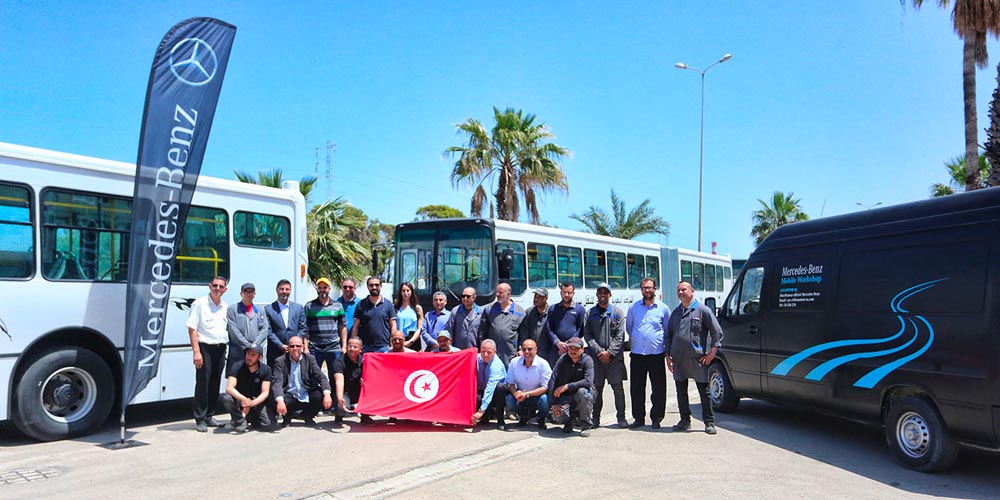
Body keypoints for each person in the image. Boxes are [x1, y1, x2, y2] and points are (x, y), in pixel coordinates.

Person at [666, 281, 724, 435]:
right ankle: (685, 421)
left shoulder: (702, 310)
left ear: (692, 291)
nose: (680, 293)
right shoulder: (676, 312)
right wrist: (668, 355)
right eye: (678, 290)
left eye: (684, 290)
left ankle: (709, 422)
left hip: (698, 359)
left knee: (704, 391)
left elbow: (716, 331)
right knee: (680, 391)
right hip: (679, 359)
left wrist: (712, 352)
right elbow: (669, 335)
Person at [186, 276, 230, 432]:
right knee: (202, 384)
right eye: (215, 286)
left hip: (220, 348)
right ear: (209, 286)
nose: (218, 289)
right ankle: (200, 418)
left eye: (221, 286)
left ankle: (210, 415)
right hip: (204, 348)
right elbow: (192, 329)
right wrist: (196, 351)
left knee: (215, 383)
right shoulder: (200, 304)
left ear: (225, 289)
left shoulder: (225, 307)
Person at [626, 277, 670, 429]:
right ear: (641, 290)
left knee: (658, 388)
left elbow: (667, 330)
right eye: (644, 288)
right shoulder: (633, 308)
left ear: (655, 289)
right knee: (637, 388)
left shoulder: (663, 308)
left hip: (656, 354)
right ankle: (639, 418)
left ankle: (656, 417)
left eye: (650, 287)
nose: (647, 290)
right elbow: (629, 328)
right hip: (637, 354)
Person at [584, 282, 628, 428]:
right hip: (596, 359)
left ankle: (621, 418)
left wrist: (609, 353)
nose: (603, 295)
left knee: (618, 389)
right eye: (600, 293)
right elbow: (587, 335)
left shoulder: (617, 313)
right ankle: (595, 418)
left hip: (614, 359)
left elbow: (620, 335)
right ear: (597, 295)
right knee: (596, 389)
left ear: (610, 295)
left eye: (605, 293)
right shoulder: (590, 313)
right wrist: (599, 352)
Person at [271, 336, 333, 427]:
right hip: (289, 395)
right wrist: (280, 401)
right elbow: (277, 383)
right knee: (275, 396)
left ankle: (307, 416)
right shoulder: (280, 361)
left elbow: (321, 377)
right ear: (288, 347)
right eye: (292, 346)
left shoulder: (310, 359)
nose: (295, 349)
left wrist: (327, 394)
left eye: (298, 346)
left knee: (319, 395)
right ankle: (287, 416)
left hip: (305, 393)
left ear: (303, 347)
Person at [221, 343, 275, 432]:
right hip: (240, 400)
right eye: (248, 353)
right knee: (226, 398)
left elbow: (265, 392)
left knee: (268, 424)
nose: (249, 357)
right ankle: (239, 420)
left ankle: (248, 418)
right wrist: (244, 399)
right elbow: (229, 388)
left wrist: (252, 403)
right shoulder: (237, 366)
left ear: (260, 357)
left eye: (253, 355)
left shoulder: (266, 370)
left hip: (256, 401)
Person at [548, 337, 595, 437]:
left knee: (582, 393)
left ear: (582, 349)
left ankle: (586, 425)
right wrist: (554, 403)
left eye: (576, 349)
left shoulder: (587, 360)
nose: (573, 351)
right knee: (557, 417)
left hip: (583, 393)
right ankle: (570, 421)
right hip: (567, 396)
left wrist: (567, 386)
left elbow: (588, 381)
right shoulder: (563, 359)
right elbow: (553, 379)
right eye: (571, 348)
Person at [304, 277, 348, 379]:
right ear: (317, 289)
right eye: (320, 288)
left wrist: (344, 346)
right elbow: (305, 328)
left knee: (335, 375)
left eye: (325, 287)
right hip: (315, 348)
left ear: (329, 289)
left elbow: (343, 327)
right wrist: (305, 347)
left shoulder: (338, 306)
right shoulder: (309, 306)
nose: (322, 290)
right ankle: (316, 395)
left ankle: (334, 395)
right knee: (313, 376)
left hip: (333, 347)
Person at [504, 338, 552, 429]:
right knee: (509, 399)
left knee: (545, 400)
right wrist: (515, 394)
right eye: (524, 349)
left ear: (536, 350)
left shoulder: (543, 364)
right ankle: (523, 417)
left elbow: (545, 387)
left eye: (529, 349)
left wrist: (527, 394)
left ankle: (541, 418)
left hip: (537, 396)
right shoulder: (514, 362)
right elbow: (510, 383)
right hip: (520, 395)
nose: (526, 352)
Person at [478, 282, 525, 366]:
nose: (497, 294)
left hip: (510, 354)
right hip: (491, 353)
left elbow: (523, 334)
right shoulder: (489, 310)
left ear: (509, 294)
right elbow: (482, 331)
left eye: (500, 292)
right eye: (497, 292)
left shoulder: (520, 312)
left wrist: (521, 350)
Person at [226, 282, 270, 369]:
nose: (249, 294)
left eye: (251, 292)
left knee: (255, 378)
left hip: (255, 353)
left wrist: (255, 345)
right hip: (238, 351)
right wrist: (247, 346)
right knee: (236, 378)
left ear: (255, 294)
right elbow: (233, 330)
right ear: (241, 293)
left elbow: (265, 328)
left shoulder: (260, 310)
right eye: (246, 291)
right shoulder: (233, 309)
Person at [265, 279, 307, 365]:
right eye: (282, 289)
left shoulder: (298, 308)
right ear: (277, 290)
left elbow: (303, 328)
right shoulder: (268, 309)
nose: (284, 291)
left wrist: (295, 344)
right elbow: (268, 331)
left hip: (295, 352)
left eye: (287, 289)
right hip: (275, 352)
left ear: (290, 291)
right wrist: (280, 345)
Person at [351, 276, 398, 353]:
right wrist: (354, 343)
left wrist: (393, 343)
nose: (374, 287)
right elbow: (355, 327)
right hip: (365, 347)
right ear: (368, 287)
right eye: (371, 285)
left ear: (381, 286)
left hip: (384, 347)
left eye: (376, 285)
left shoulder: (388, 304)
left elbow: (393, 326)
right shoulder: (361, 305)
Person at [333, 337, 373, 425]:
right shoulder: (339, 362)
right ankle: (339, 416)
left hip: (358, 390)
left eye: (355, 347)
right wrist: (340, 398)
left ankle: (365, 416)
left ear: (360, 349)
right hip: (344, 391)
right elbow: (339, 381)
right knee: (341, 407)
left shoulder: (364, 361)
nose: (352, 349)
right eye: (350, 346)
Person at [545, 282, 586, 366]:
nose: (566, 295)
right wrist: (557, 342)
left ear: (573, 293)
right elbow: (549, 328)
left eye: (569, 293)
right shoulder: (553, 309)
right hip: (556, 349)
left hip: (574, 349)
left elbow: (581, 329)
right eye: (564, 292)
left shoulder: (580, 309)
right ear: (561, 293)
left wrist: (569, 344)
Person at [471, 339, 507, 430]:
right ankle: (485, 417)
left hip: (496, 394)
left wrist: (481, 411)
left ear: (494, 352)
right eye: (483, 351)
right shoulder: (477, 358)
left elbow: (490, 389)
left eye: (489, 352)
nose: (485, 355)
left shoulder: (497, 366)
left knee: (500, 388)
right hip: (482, 389)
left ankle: (500, 419)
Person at [517, 288, 551, 360]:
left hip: (548, 352)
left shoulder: (551, 312)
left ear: (546, 298)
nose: (536, 299)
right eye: (535, 296)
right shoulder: (529, 312)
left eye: (539, 297)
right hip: (531, 352)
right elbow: (524, 332)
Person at [394, 282, 424, 351]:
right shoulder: (395, 308)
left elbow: (419, 328)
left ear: (411, 292)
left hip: (414, 340)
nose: (406, 293)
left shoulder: (417, 308)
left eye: (408, 290)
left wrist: (411, 341)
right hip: (399, 340)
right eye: (403, 291)